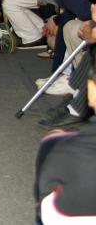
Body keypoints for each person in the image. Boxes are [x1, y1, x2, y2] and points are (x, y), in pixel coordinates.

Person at [33, 43, 96, 222]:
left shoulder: (61, 147)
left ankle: (74, 98)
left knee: (52, 144)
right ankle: (70, 87)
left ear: (91, 93)